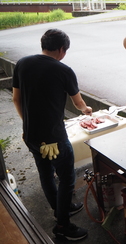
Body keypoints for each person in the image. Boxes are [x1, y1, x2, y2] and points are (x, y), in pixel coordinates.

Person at [12, 29, 91, 241]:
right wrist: (86, 110)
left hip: (30, 135)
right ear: (62, 50)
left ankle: (60, 208)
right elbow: (78, 102)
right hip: (54, 139)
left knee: (46, 174)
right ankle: (63, 226)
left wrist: (27, 123)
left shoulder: (22, 63)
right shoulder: (64, 70)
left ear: (43, 44)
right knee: (67, 178)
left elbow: (16, 99)